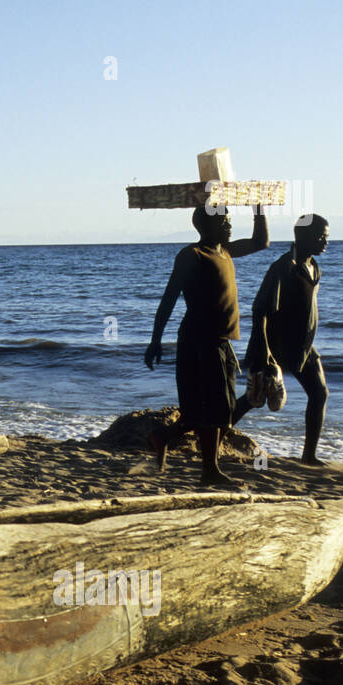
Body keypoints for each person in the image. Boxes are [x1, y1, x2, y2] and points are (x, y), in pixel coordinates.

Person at [144, 204, 269, 485]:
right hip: (198, 341)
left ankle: (161, 437)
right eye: (224, 221)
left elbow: (262, 242)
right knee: (212, 408)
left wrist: (258, 207)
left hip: (222, 341)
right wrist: (155, 340)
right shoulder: (192, 255)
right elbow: (169, 298)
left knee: (214, 410)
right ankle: (209, 471)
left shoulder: (226, 251)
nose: (229, 226)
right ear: (207, 226)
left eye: (229, 220)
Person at [233, 214, 331, 465]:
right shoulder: (283, 267)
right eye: (321, 237)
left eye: (327, 237)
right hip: (277, 346)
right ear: (303, 236)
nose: (325, 242)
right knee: (254, 400)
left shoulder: (314, 267)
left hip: (303, 346)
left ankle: (309, 456)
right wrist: (265, 351)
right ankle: (208, 437)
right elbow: (260, 310)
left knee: (319, 393)